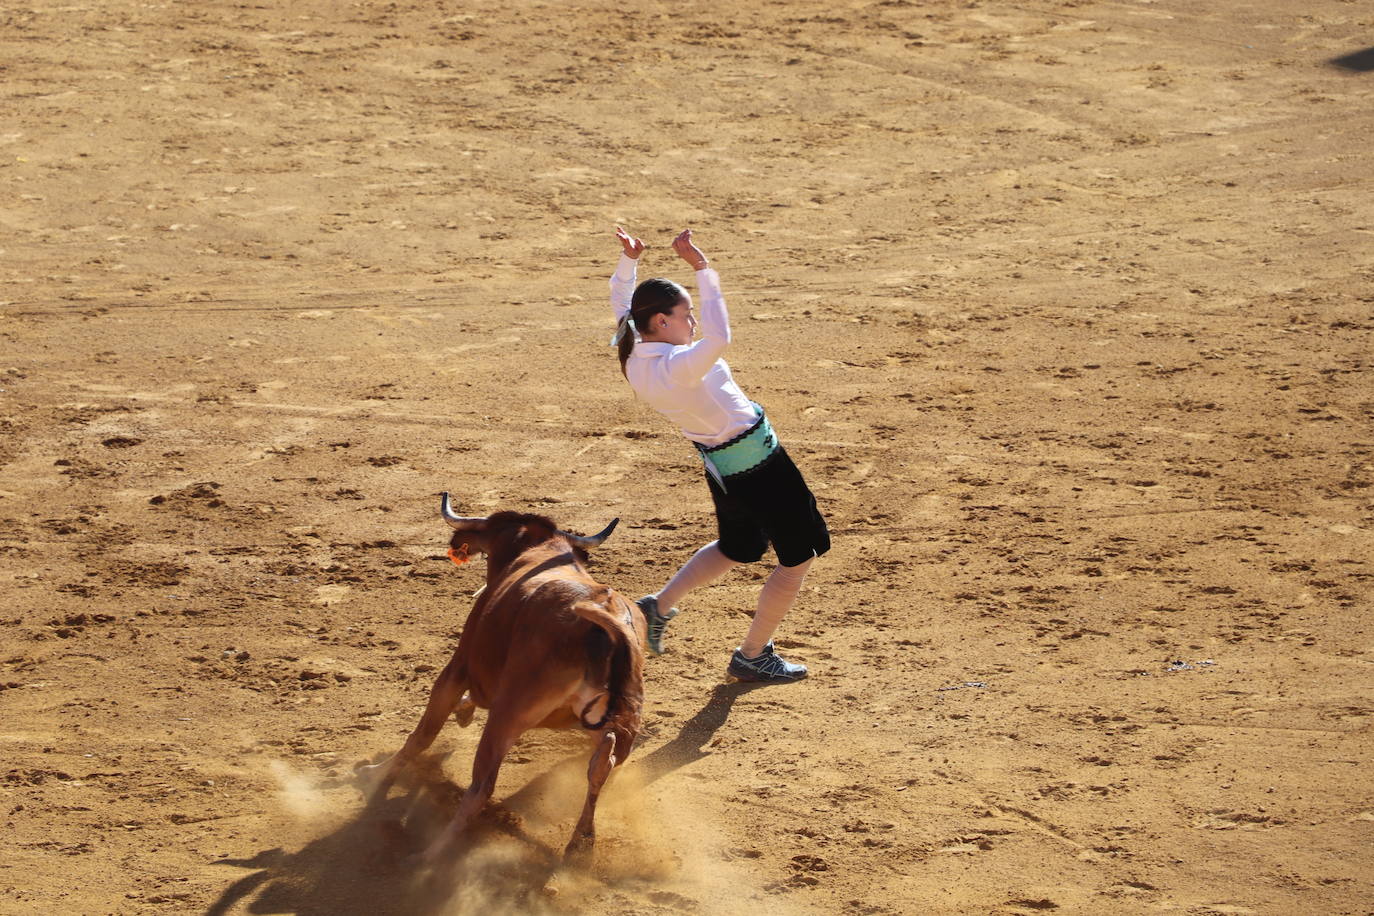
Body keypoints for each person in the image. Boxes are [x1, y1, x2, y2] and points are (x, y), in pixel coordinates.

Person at [608, 226, 829, 684]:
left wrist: (631, 262)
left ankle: (658, 605)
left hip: (723, 469)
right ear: (662, 322)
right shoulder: (677, 365)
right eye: (686, 314)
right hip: (763, 470)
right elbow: (721, 336)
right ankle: (752, 655)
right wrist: (702, 270)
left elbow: (622, 301)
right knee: (797, 557)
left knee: (738, 547)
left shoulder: (634, 353)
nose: (693, 322)